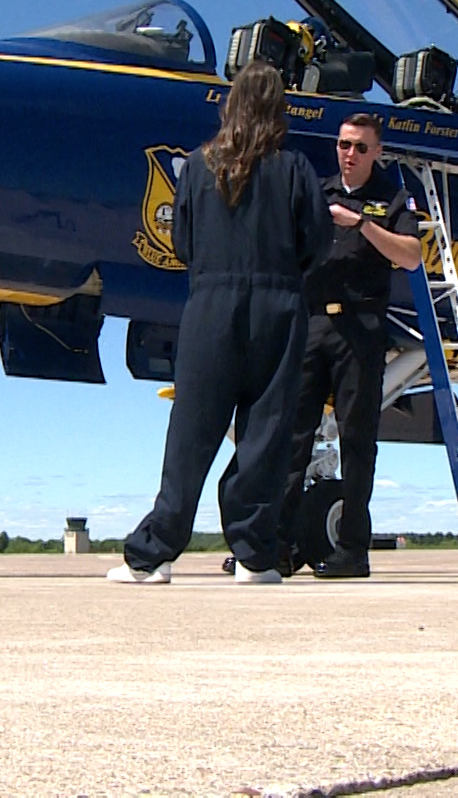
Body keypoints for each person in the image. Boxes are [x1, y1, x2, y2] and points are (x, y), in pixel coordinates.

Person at [109, 60, 330, 585]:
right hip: (277, 302)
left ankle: (155, 552)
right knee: (266, 429)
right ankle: (254, 554)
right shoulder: (295, 168)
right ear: (277, 109)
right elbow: (318, 243)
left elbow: (181, 243)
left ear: (230, 105)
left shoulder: (198, 166)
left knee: (192, 428)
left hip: (210, 303)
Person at [279, 113, 423, 579]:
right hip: (312, 322)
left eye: (362, 147)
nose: (351, 154)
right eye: (344, 144)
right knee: (292, 437)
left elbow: (411, 257)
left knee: (357, 439)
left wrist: (360, 223)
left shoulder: (393, 199)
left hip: (360, 328)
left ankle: (352, 550)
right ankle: (280, 545)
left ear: (377, 152)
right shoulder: (316, 193)